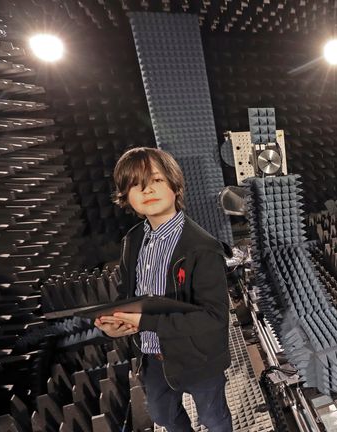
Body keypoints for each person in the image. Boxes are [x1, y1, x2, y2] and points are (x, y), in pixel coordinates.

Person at [94, 147, 233, 432]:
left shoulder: (203, 248)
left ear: (174, 184)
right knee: (162, 415)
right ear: (126, 197)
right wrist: (116, 323)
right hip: (153, 356)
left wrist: (145, 321)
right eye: (135, 183)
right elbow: (127, 295)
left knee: (213, 419)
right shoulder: (132, 241)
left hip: (199, 359)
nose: (146, 189)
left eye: (156, 179)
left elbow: (213, 319)